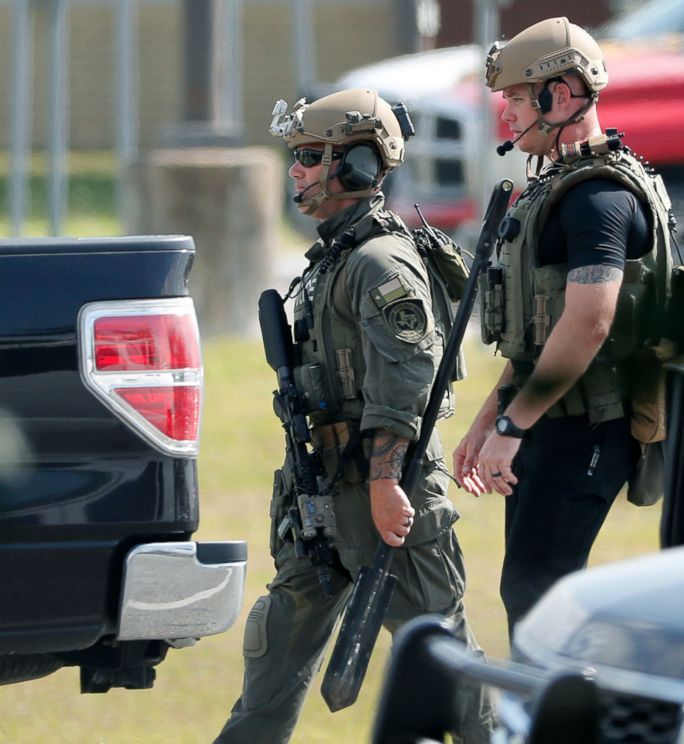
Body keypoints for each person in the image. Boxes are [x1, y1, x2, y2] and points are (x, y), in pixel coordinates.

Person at [214, 88, 491, 744]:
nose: (295, 171)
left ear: (358, 167)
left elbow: (405, 378)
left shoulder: (379, 262)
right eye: (296, 157)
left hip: (380, 495)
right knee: (275, 647)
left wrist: (384, 482)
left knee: (442, 657)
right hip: (322, 498)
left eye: (310, 156)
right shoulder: (331, 260)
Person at [454, 17, 673, 637]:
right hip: (552, 419)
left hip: (587, 426)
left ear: (563, 95)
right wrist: (488, 422)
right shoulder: (561, 184)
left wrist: (510, 426)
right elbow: (539, 332)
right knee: (529, 593)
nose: (507, 115)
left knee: (540, 599)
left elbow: (588, 321)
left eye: (518, 99)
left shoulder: (597, 197)